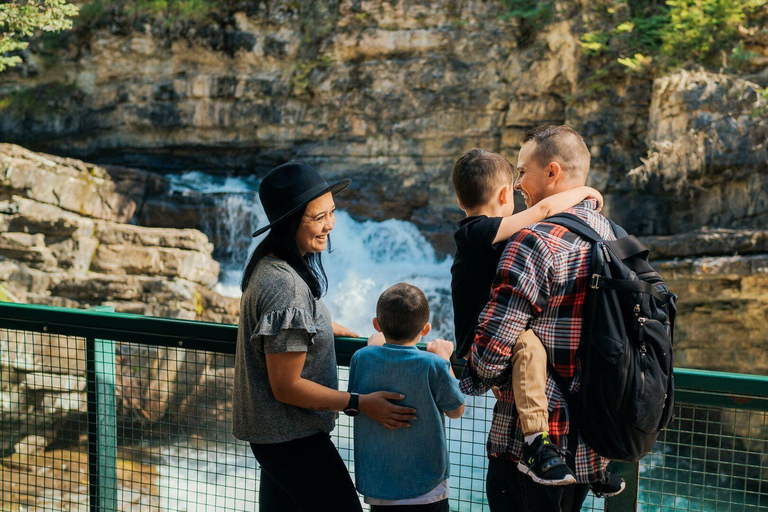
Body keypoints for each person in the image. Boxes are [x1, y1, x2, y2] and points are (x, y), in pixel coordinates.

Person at [232, 161, 418, 512]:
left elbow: (273, 326)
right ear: (289, 222)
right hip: (291, 437)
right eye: (318, 218)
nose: (330, 225)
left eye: (331, 213)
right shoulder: (285, 284)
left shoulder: (267, 265)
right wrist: (360, 403)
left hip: (272, 435)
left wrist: (316, 323)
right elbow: (286, 386)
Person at [459, 126, 621, 511]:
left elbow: (487, 361)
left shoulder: (533, 241)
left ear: (551, 173)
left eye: (522, 171)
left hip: (532, 452)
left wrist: (473, 371)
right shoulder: (612, 236)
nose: (517, 185)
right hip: (594, 442)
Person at [348, 283, 465, 512]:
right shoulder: (433, 365)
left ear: (377, 325)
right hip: (428, 491)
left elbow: (355, 401)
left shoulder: (361, 358)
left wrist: (374, 347)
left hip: (380, 488)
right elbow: (456, 410)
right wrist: (445, 361)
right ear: (426, 329)